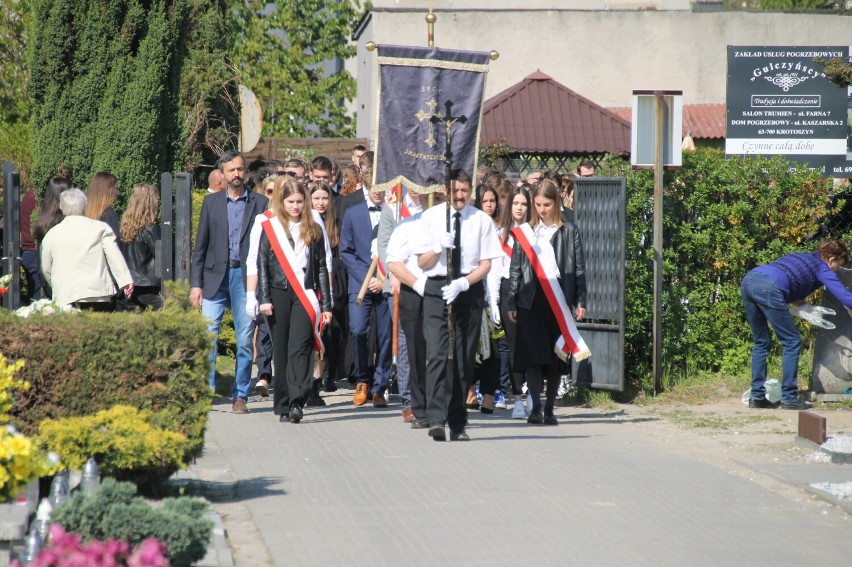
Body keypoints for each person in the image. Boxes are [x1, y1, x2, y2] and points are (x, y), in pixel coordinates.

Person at [416, 169, 501, 441]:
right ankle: (436, 419)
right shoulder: (431, 217)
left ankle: (458, 421)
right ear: (446, 189)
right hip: (437, 288)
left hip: (468, 288)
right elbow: (421, 262)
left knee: (463, 359)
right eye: (455, 191)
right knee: (439, 355)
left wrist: (465, 283)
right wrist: (438, 249)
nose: (460, 196)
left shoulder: (481, 220)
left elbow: (487, 262)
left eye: (465, 190)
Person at [190, 150, 268, 414]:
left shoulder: (260, 203)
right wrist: (195, 284)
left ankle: (241, 395)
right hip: (215, 277)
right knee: (209, 335)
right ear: (221, 174)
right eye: (231, 170)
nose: (236, 174)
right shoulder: (211, 204)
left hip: (246, 278)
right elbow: (200, 246)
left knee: (245, 339)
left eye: (239, 169)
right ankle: (208, 390)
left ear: (245, 171)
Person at [508, 179, 587, 426]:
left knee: (556, 356)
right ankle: (535, 408)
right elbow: (516, 268)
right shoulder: (527, 232)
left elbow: (580, 268)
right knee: (532, 357)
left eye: (547, 204)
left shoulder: (570, 230)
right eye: (538, 204)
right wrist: (511, 299)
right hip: (531, 300)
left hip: (558, 301)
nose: (542, 209)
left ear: (556, 203)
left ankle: (550, 409)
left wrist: (580, 300)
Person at [741, 240, 852, 410]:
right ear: (831, 259)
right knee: (791, 341)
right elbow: (844, 297)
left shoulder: (801, 256)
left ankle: (756, 397)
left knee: (761, 342)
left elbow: (787, 277)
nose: (837, 269)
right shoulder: (822, 267)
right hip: (769, 287)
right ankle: (789, 398)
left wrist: (799, 302)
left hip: (750, 280)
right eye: (838, 265)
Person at [257, 177, 332, 423]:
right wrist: (264, 299)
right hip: (278, 293)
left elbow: (321, 268)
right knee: (281, 349)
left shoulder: (314, 229)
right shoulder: (270, 228)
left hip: (305, 294)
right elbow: (263, 266)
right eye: (291, 201)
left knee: (300, 347)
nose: (296, 206)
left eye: (300, 201)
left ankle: (298, 400)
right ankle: (283, 403)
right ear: (282, 201)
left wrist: (326, 305)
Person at [340, 168, 392, 408]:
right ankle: (362, 379)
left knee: (384, 335)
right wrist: (366, 279)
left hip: (387, 282)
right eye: (374, 189)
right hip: (360, 282)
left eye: (382, 189)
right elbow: (346, 252)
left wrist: (383, 278)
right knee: (358, 329)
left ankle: (380, 386)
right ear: (365, 187)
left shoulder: (394, 213)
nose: (378, 194)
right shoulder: (352, 213)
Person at [40, 188, 134, 310]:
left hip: (66, 295)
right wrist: (125, 280)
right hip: (97, 292)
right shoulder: (100, 227)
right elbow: (114, 256)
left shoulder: (52, 234)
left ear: (61, 207)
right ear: (85, 205)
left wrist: (55, 284)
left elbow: (46, 267)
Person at [377, 184, 424, 422]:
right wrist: (394, 274)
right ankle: (408, 400)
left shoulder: (433, 208)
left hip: (427, 282)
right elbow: (383, 246)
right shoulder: (393, 209)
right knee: (405, 341)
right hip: (398, 282)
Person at [491, 185, 533, 418]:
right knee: (515, 347)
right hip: (509, 292)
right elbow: (496, 272)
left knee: (532, 346)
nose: (519, 208)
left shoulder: (534, 233)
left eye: (524, 204)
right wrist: (495, 302)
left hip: (532, 293)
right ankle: (517, 399)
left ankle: (532, 396)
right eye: (516, 203)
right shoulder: (501, 235)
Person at [472, 183, 506, 413]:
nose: (489, 205)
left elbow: (498, 265)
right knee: (471, 347)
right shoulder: (471, 225)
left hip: (493, 294)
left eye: (492, 200)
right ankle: (468, 392)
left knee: (492, 349)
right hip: (472, 292)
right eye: (485, 201)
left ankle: (488, 395)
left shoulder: (501, 229)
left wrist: (493, 300)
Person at [310, 181, 344, 395]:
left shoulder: (336, 221)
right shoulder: (307, 222)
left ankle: (327, 375)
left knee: (331, 331)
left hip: (335, 279)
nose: (321, 203)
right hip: (312, 280)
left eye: (325, 198)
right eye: (316, 199)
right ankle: (313, 379)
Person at [119, 183, 163, 310]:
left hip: (130, 284)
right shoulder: (151, 229)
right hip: (148, 286)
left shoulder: (125, 227)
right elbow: (162, 259)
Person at [85, 172, 123, 255]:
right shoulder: (109, 215)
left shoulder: (83, 213)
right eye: (116, 188)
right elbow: (117, 246)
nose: (118, 193)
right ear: (107, 191)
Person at [20, 186, 42, 302]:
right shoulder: (37, 195)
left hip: (29, 251)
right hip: (33, 251)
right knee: (39, 301)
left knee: (36, 298)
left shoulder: (31, 193)